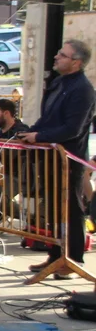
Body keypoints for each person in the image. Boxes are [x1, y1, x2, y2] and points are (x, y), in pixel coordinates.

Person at [18, 40, 96, 277]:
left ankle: (72, 259)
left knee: (70, 209)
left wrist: (39, 136)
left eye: (63, 55)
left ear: (76, 62)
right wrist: (30, 133)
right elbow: (48, 118)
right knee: (52, 208)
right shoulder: (58, 82)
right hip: (50, 158)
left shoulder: (83, 89)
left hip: (69, 160)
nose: (56, 57)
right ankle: (55, 255)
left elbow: (72, 128)